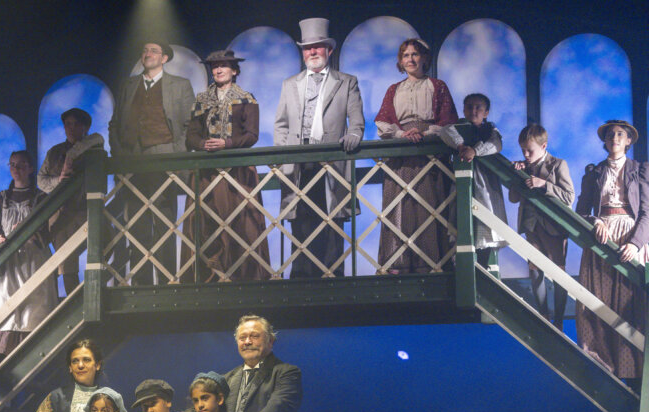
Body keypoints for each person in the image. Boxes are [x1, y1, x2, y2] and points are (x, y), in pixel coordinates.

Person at [274, 18, 365, 278]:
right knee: (300, 224)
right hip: (299, 163)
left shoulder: (346, 81)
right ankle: (301, 283)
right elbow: (280, 124)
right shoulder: (289, 84)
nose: (312, 52)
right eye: (307, 48)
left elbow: (356, 120)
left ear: (329, 50)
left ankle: (333, 279)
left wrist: (355, 133)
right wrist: (284, 154)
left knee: (332, 222)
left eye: (317, 47)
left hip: (331, 162)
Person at [108, 40, 194, 285]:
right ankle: (141, 284)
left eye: (153, 51)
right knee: (137, 226)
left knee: (165, 225)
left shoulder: (180, 85)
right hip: (133, 163)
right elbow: (114, 124)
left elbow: (189, 125)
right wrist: (120, 156)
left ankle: (168, 281)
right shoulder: (129, 85)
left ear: (164, 58)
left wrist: (175, 156)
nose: (147, 54)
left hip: (164, 160)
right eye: (144, 50)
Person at [186, 50, 271, 282]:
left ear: (234, 70)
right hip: (207, 171)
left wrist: (227, 143)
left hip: (238, 170)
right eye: (214, 66)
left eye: (223, 66)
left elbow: (252, 135)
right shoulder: (201, 100)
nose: (218, 70)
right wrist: (203, 144)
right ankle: (208, 275)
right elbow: (190, 136)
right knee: (206, 221)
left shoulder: (246, 99)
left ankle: (244, 275)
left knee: (242, 222)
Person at [375, 38, 458, 274]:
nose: (410, 59)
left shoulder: (437, 85)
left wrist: (423, 132)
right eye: (405, 55)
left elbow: (448, 120)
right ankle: (396, 262)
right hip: (401, 154)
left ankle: (429, 262)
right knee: (398, 204)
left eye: (415, 54)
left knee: (429, 205)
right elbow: (383, 121)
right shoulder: (394, 89)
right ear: (400, 61)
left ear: (424, 58)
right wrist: (402, 133)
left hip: (429, 153)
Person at [575, 120, 649, 378]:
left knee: (630, 303)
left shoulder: (641, 171)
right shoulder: (594, 172)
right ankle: (602, 362)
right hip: (602, 235)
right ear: (605, 141)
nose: (614, 137)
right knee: (597, 297)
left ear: (629, 141)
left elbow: (647, 213)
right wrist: (595, 221)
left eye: (620, 134)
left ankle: (632, 369)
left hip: (631, 235)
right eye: (610, 135)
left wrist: (635, 243)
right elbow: (581, 211)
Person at [0, 150, 58, 360]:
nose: (16, 169)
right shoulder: (3, 197)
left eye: (22, 165)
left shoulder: (40, 197)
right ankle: (2, 357)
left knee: (33, 306)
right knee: (4, 303)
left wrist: (29, 231)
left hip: (32, 258)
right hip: (8, 261)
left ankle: (34, 354)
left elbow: (45, 227)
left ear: (30, 168)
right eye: (13, 165)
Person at [509, 123, 575, 329]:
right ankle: (544, 315)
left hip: (554, 229)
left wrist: (544, 184)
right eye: (523, 150)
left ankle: (560, 320)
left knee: (558, 273)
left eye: (530, 150)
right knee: (535, 270)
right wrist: (516, 176)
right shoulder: (522, 166)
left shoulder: (558, 164)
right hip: (531, 226)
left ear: (544, 146)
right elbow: (512, 198)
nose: (526, 154)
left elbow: (569, 196)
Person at [38, 108, 106, 295]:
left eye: (77, 124)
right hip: (61, 215)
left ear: (86, 126)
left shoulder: (93, 145)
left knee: (99, 253)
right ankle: (73, 301)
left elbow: (98, 137)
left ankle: (97, 295)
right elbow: (40, 180)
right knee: (67, 264)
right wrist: (58, 181)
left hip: (87, 211)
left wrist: (71, 156)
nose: (72, 128)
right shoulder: (53, 152)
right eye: (68, 124)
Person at [440, 93, 509, 272]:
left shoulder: (490, 131)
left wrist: (475, 151)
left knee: (486, 225)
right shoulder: (458, 128)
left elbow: (496, 144)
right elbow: (444, 131)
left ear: (486, 112)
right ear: (463, 109)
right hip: (463, 182)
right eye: (469, 107)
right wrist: (461, 146)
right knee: (462, 222)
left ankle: (484, 268)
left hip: (485, 183)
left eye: (478, 107)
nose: (474, 110)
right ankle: (463, 268)